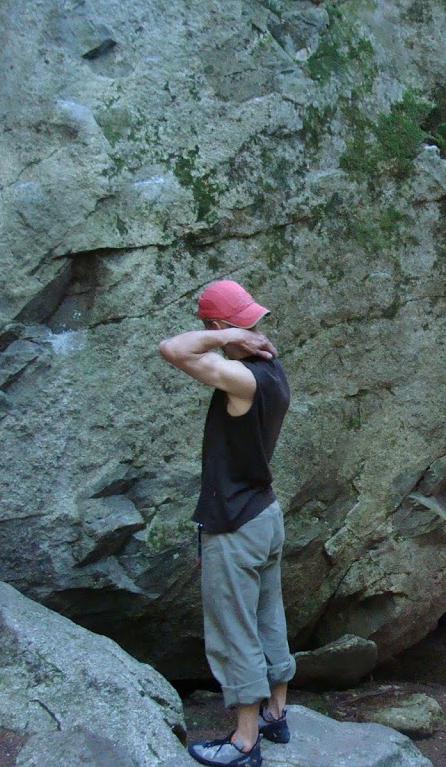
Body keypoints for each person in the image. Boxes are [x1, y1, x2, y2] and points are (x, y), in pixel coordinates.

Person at [160, 280, 295, 767]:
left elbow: (171, 349)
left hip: (237, 525)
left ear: (218, 326)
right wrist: (233, 338)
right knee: (268, 617)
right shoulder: (271, 370)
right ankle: (276, 714)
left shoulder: (242, 378)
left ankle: (243, 741)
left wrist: (220, 338)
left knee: (233, 629)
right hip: (265, 514)